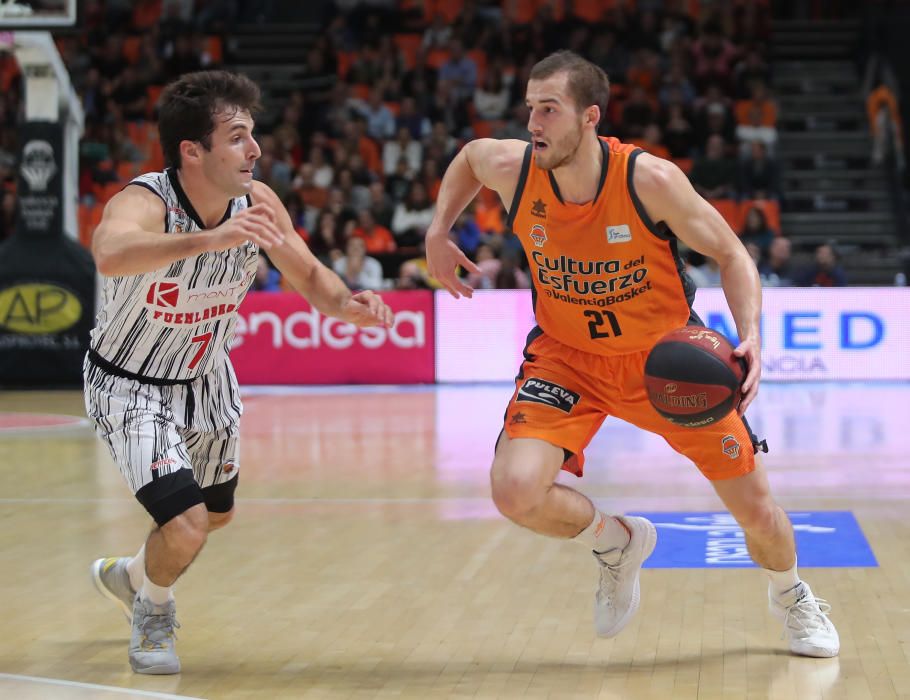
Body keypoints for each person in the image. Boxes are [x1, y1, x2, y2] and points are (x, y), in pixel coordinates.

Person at [426, 50, 839, 658]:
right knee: (515, 492)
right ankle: (615, 541)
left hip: (666, 364)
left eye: (550, 110)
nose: (534, 123)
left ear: (590, 117)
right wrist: (439, 229)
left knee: (758, 513)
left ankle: (792, 594)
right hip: (566, 357)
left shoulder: (650, 181)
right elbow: (469, 157)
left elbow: (732, 255)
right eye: (530, 109)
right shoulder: (514, 168)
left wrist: (750, 333)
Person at [85, 70, 393, 675]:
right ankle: (153, 610)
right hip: (130, 384)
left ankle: (130, 575)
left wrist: (345, 305)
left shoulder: (258, 201)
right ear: (192, 152)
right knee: (187, 524)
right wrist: (208, 240)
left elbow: (307, 273)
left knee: (216, 515)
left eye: (252, 135)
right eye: (237, 137)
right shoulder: (144, 201)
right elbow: (109, 252)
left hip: (207, 378)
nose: (255, 150)